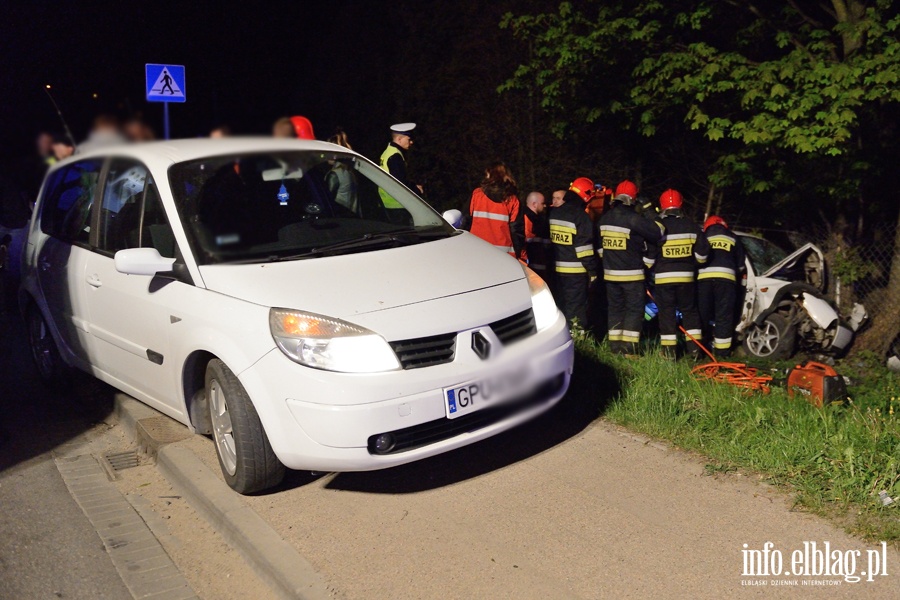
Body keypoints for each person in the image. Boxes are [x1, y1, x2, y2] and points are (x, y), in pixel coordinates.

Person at [597, 180, 663, 354]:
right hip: (632, 276)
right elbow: (658, 232)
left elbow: (599, 247)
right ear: (634, 199)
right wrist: (649, 209)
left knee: (615, 309)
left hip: (610, 276)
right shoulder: (634, 219)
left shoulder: (604, 219)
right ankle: (629, 348)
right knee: (634, 310)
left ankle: (615, 347)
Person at [651, 189, 710, 359]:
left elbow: (651, 254)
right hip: (686, 279)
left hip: (663, 279)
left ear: (662, 206)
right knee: (690, 312)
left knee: (666, 314)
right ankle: (695, 351)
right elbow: (702, 256)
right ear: (681, 204)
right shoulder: (691, 226)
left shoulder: (657, 227)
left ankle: (669, 353)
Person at [550, 178, 598, 326]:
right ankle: (578, 342)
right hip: (575, 273)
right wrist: (593, 271)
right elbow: (584, 248)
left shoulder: (554, 213)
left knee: (560, 306)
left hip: (556, 271)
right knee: (576, 309)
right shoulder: (580, 216)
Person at [698, 215, 745, 357]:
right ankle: (721, 353)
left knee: (702, 315)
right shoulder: (733, 238)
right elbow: (741, 266)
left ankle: (699, 350)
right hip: (726, 281)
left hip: (704, 280)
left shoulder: (702, 236)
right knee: (723, 316)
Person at [468, 162, 520, 257]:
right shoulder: (512, 200)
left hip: (476, 250)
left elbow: (467, 221)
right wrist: (519, 253)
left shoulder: (477, 195)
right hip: (504, 254)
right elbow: (516, 230)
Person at [378, 122, 420, 225]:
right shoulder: (395, 156)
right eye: (409, 139)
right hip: (397, 204)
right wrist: (416, 189)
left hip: (387, 203)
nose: (411, 142)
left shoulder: (388, 152)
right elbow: (400, 182)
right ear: (399, 139)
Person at [325, 128, 359, 214]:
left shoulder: (334, 175)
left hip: (338, 219)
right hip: (351, 218)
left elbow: (326, 202)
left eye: (329, 151)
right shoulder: (349, 171)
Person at [520, 191, 552, 276]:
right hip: (530, 265)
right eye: (543, 203)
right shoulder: (532, 220)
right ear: (534, 204)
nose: (545, 206)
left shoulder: (523, 217)